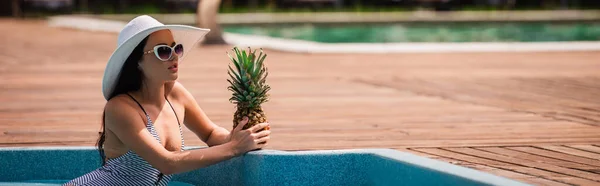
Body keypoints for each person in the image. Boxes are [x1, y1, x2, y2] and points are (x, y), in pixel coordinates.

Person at [65, 15, 271, 186]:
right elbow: (167, 163)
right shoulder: (120, 108)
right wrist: (234, 148)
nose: (174, 57)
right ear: (137, 61)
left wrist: (239, 136)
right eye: (163, 51)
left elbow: (209, 133)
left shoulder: (176, 95)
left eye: (177, 48)